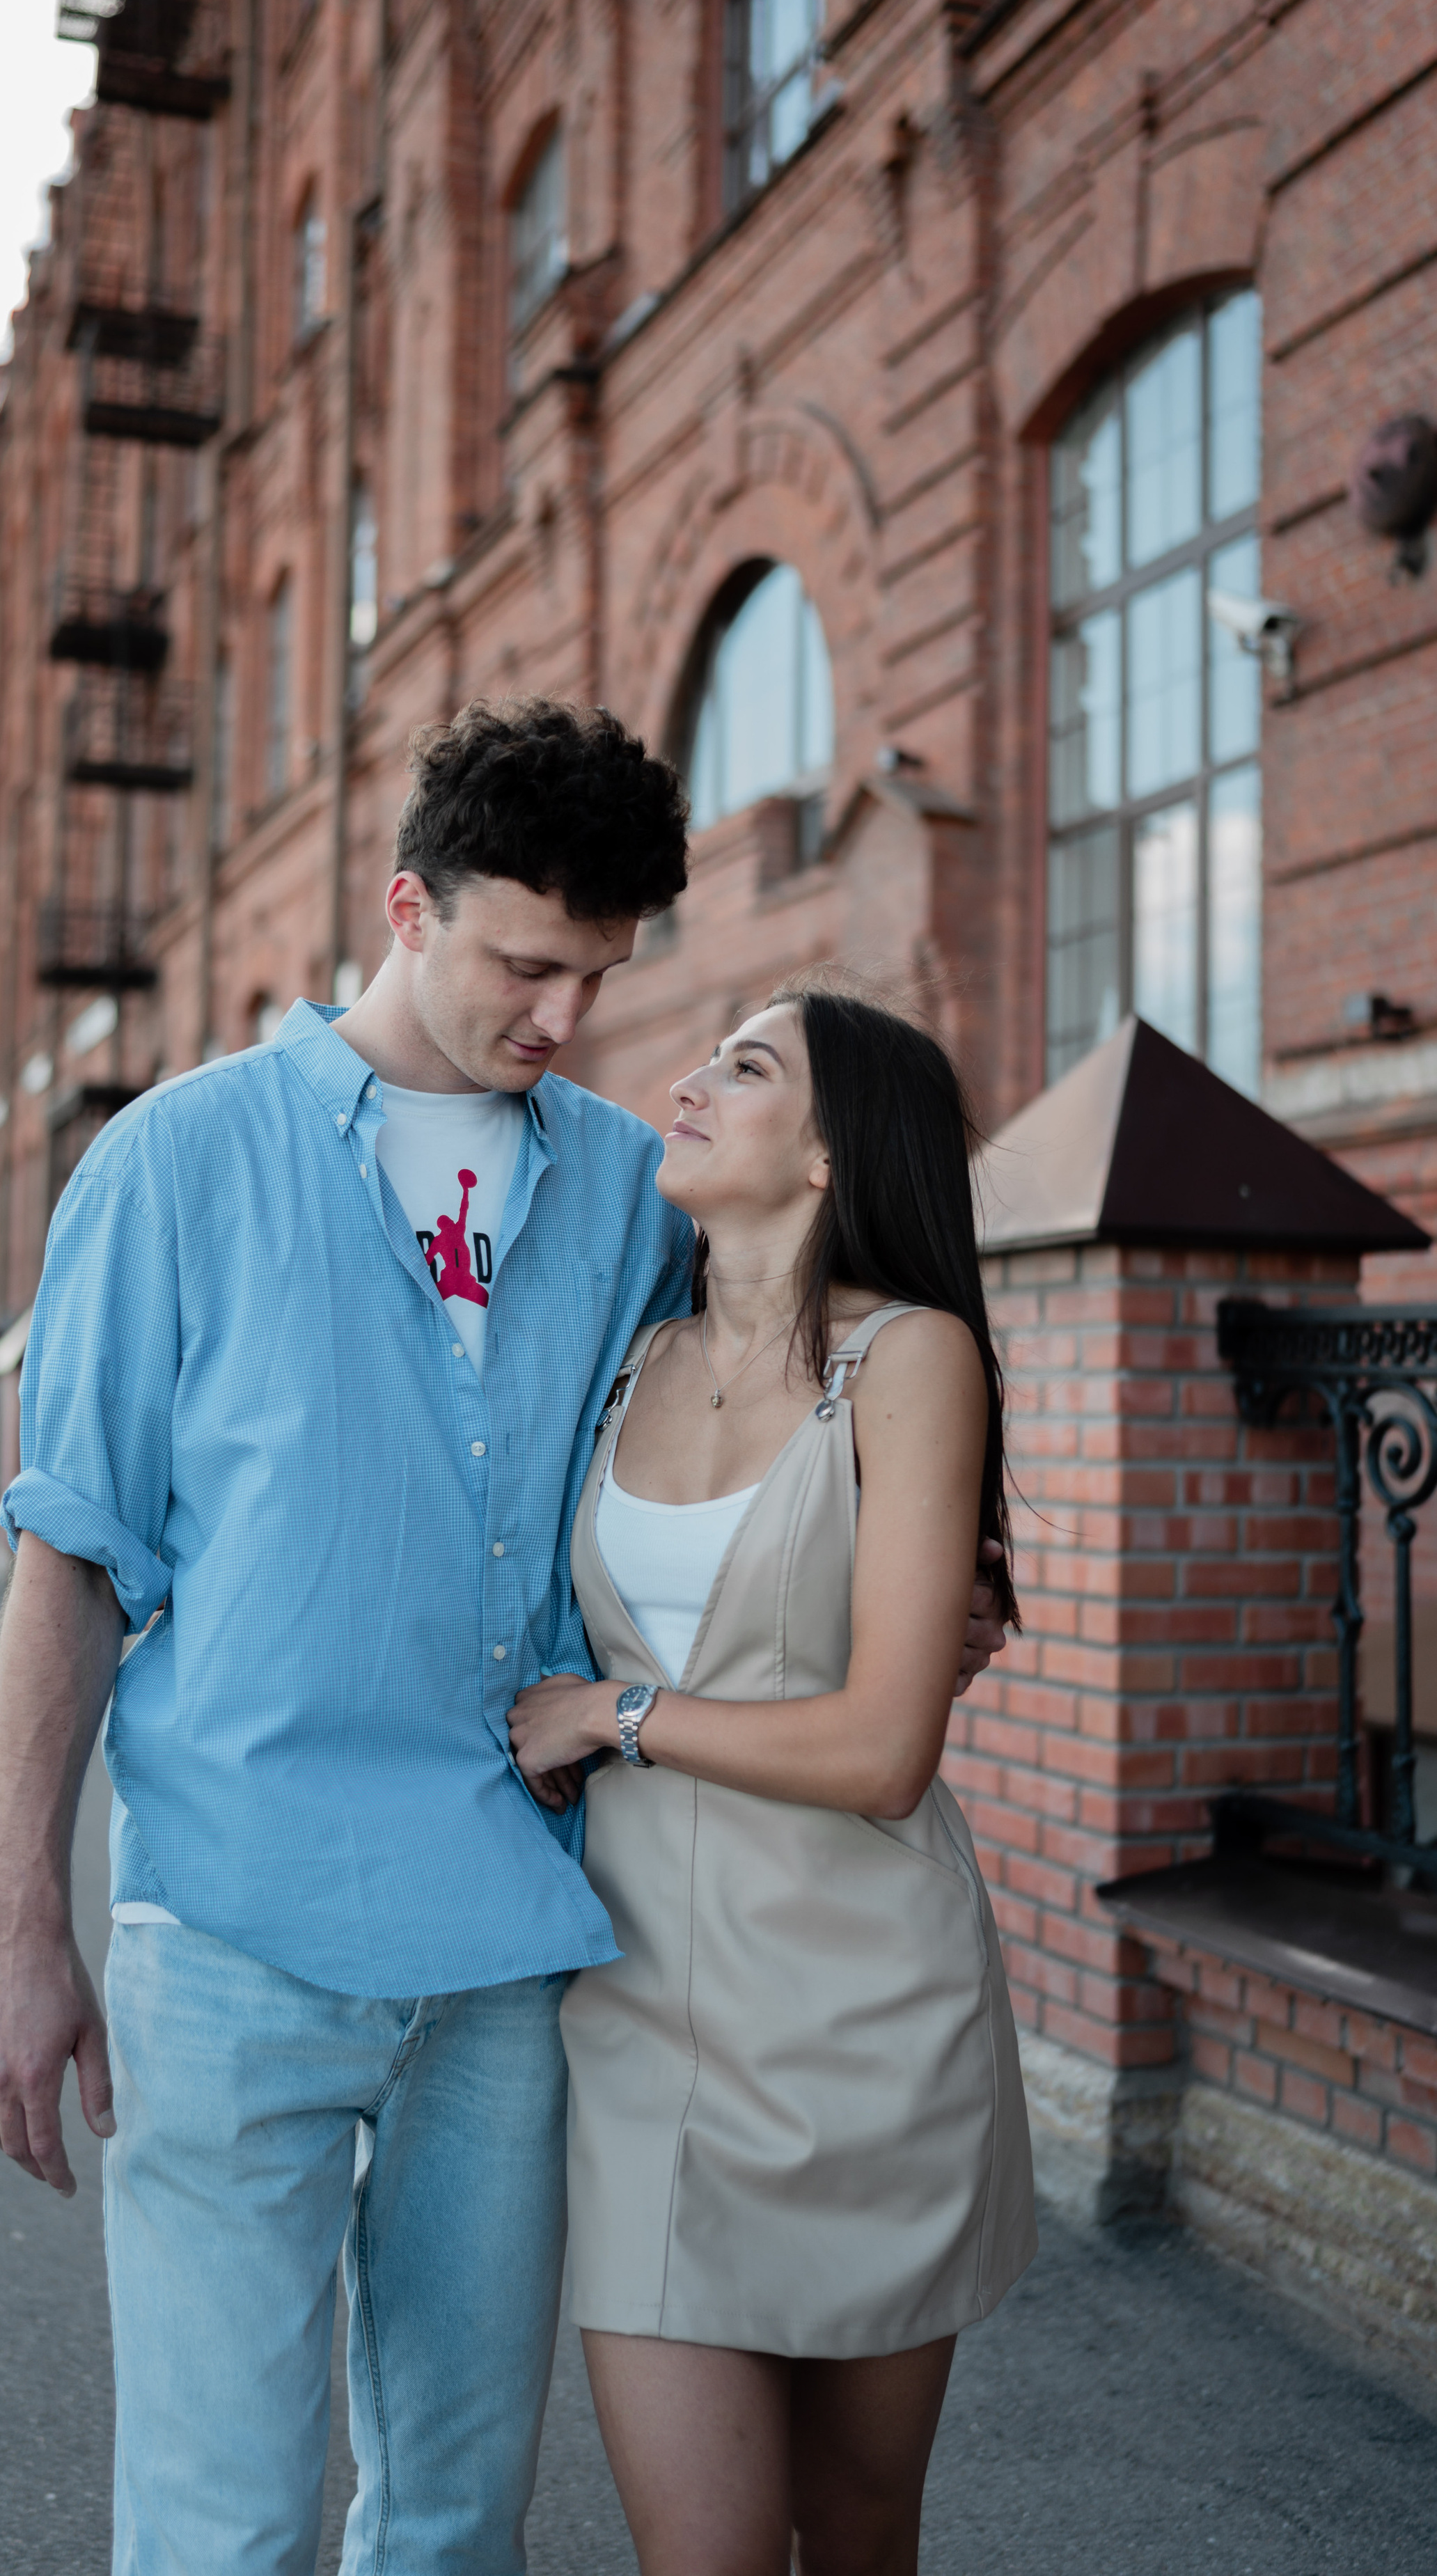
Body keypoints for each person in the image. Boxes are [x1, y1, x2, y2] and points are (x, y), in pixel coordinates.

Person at [0, 700, 1010, 2576]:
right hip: (235, 1927)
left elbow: (804, 1383)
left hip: (515, 1962)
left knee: (453, 2521)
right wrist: (18, 1927)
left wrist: (929, 1585)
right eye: (525, 965)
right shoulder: (176, 1162)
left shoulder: (625, 1183)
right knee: (220, 2525)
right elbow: (73, 1559)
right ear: (408, 906)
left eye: (599, 974)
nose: (564, 1017)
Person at [507, 982, 1037, 2576]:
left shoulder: (909, 1357)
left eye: (740, 1067)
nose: (682, 1081)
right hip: (637, 2030)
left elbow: (881, 1753)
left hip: (863, 2024)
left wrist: (613, 1713)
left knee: (860, 2532)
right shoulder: (623, 1358)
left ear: (826, 1155)